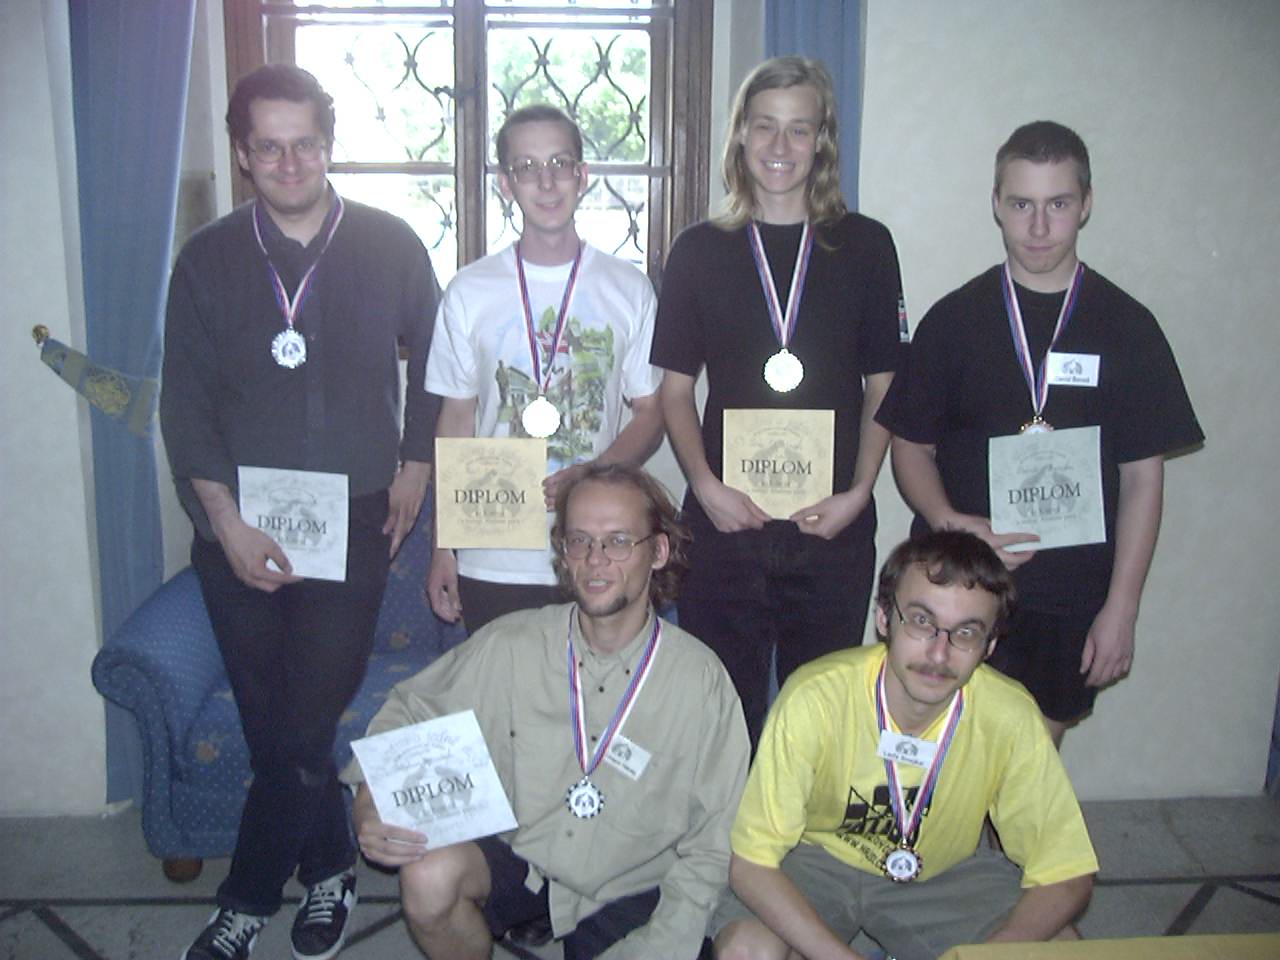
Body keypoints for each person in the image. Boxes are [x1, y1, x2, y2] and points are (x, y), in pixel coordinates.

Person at [160, 64, 441, 960]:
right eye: (269, 147)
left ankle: (243, 900)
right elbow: (185, 406)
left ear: (329, 144)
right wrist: (226, 524)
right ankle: (328, 871)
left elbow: (439, 365)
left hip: (355, 520)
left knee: (304, 723)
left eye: (305, 144)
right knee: (271, 724)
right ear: (243, 155)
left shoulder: (391, 244)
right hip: (237, 524)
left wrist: (416, 467)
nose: (289, 163)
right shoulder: (206, 260)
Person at [877, 121, 1203, 744]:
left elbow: (1143, 479)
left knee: (1032, 755)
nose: (1039, 227)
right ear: (996, 204)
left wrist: (1122, 606)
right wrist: (949, 519)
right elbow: (910, 445)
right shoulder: (953, 321)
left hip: (1072, 593)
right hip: (959, 586)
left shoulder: (1129, 327)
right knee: (938, 747)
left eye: (1058, 204)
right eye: (1022, 204)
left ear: (1086, 205)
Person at [350, 462, 750, 959]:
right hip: (529, 857)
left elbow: (714, 843)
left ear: (659, 552)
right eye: (579, 541)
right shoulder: (513, 643)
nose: (595, 560)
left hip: (633, 883)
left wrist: (659, 946)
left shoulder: (701, 680)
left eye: (618, 541)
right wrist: (370, 800)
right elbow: (410, 710)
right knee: (430, 878)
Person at [651, 56, 906, 746]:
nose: (780, 146)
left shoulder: (866, 247)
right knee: (723, 717)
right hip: (725, 525)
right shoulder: (699, 250)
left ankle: (800, 823)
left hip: (831, 527)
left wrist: (859, 492)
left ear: (822, 140)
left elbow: (884, 385)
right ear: (740, 134)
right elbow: (675, 391)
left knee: (817, 720)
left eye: (799, 129)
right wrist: (706, 488)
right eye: (765, 126)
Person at [711, 531, 1098, 960]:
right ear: (884, 618)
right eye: (921, 621)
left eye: (966, 632)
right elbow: (752, 863)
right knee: (745, 951)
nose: (939, 653)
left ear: (989, 646)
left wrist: (990, 955)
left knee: (1061, 949)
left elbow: (1066, 876)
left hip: (944, 874)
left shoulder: (1010, 715)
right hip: (817, 862)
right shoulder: (816, 696)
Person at [426, 104, 664, 635]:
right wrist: (443, 545)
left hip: (598, 549)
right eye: (527, 167)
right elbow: (455, 421)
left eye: (559, 163)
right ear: (505, 183)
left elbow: (651, 412)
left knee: (597, 685)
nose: (547, 181)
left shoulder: (629, 288)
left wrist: (592, 474)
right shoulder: (468, 291)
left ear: (583, 174)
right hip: (492, 549)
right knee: (502, 687)